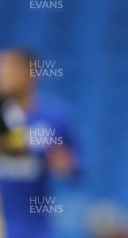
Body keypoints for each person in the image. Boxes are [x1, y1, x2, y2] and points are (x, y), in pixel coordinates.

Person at [0, 49, 78, 238]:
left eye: (9, 71)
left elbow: (78, 166)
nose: (2, 76)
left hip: (37, 228)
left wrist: (67, 165)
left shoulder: (57, 117)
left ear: (30, 75)